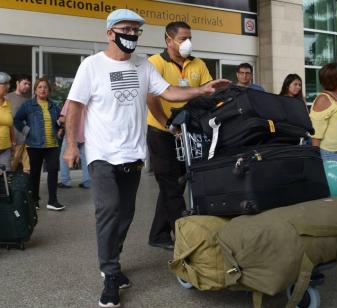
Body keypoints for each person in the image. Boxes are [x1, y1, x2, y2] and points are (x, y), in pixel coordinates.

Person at [62, 9, 229, 308]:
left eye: (137, 30)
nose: (132, 35)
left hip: (133, 151)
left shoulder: (143, 66)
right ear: (110, 32)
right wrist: (71, 145)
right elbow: (75, 106)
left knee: (125, 213)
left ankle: (112, 260)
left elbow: (169, 92)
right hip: (101, 153)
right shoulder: (91, 66)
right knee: (109, 209)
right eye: (126, 29)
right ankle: (111, 272)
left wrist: (201, 89)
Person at [146, 21, 212, 251]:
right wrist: (168, 125)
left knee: (177, 184)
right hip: (161, 133)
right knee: (170, 185)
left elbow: (205, 94)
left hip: (188, 134)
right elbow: (151, 98)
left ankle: (158, 234)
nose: (188, 43)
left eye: (190, 37)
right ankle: (186, 239)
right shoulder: (155, 62)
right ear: (169, 40)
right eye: (183, 38)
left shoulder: (198, 64)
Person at [14, 77, 65, 211]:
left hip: (52, 145)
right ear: (35, 90)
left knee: (53, 171)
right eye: (40, 87)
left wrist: (60, 129)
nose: (43, 90)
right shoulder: (28, 105)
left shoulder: (54, 106)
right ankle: (34, 200)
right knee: (35, 173)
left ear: (49, 90)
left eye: (45, 87)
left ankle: (53, 201)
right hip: (34, 145)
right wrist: (27, 131)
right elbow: (17, 120)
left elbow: (61, 121)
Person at [58, 100, 90, 189]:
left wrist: (58, 120)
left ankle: (65, 181)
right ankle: (87, 182)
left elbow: (65, 118)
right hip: (86, 134)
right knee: (85, 159)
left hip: (72, 134)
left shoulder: (71, 100)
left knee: (64, 158)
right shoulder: (88, 100)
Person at [8, 74, 31, 173]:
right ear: (17, 83)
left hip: (27, 138)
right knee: (11, 166)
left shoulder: (28, 100)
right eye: (25, 83)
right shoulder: (8, 97)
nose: (27, 86)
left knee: (28, 168)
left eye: (29, 84)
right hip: (15, 138)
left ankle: (28, 187)